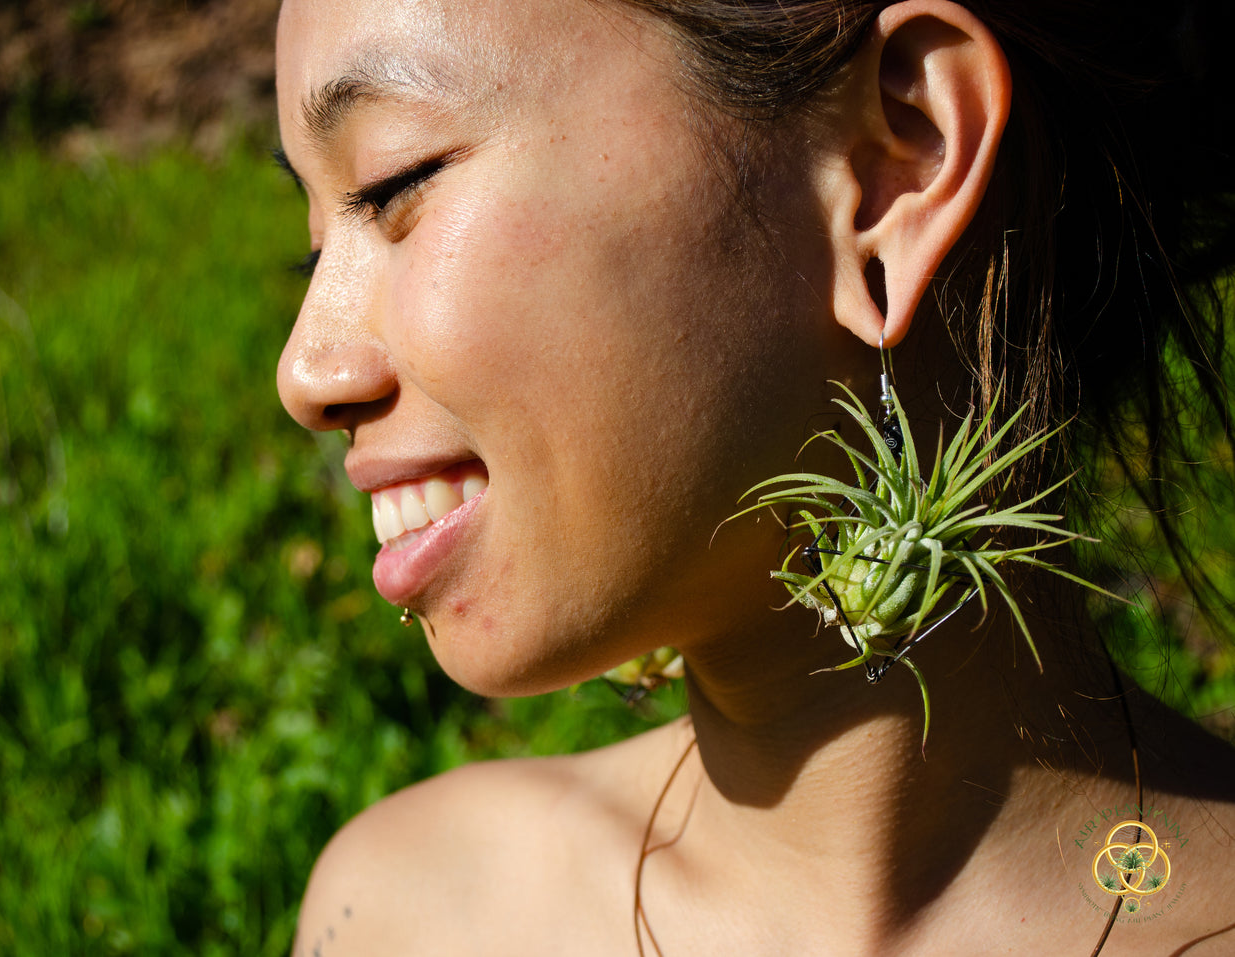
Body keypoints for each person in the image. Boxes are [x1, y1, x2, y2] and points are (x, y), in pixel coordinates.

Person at [273, 0, 1235, 952]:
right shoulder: (401, 916)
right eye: (313, 250)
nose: (305, 374)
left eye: (394, 181)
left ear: (891, 164)